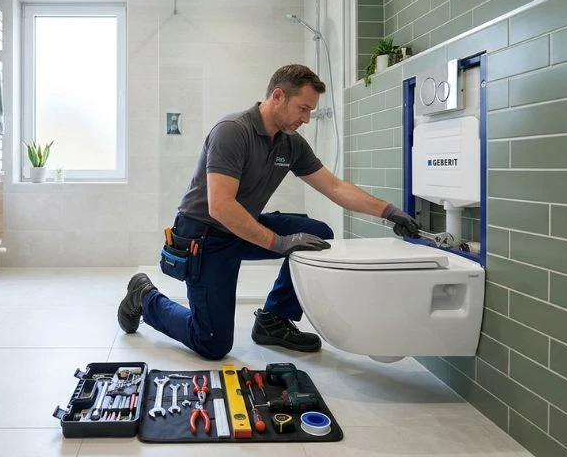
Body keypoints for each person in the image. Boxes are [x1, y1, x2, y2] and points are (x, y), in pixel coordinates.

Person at [117, 64, 420, 360]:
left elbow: (335, 187)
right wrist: (279, 243)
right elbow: (220, 207)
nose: (307, 118)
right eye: (303, 108)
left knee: (317, 234)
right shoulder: (233, 131)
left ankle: (273, 320)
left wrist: (389, 211)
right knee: (211, 343)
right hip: (204, 235)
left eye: (311, 111)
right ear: (278, 96)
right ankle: (144, 297)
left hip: (241, 226)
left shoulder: (291, 144)